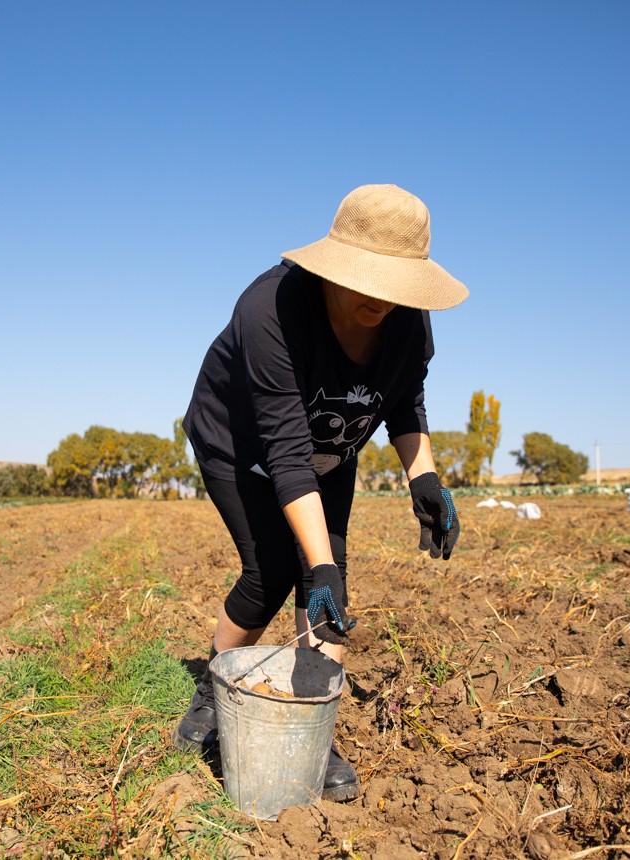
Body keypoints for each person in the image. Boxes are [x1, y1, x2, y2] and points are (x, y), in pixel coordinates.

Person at [176, 183, 468, 801]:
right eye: (369, 278)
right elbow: (284, 453)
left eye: (396, 283)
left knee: (326, 584)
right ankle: (212, 689)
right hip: (240, 444)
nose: (381, 297)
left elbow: (405, 402)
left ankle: (313, 728)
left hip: (330, 452)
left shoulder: (408, 324)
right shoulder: (269, 310)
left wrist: (424, 477)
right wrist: (321, 564)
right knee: (273, 570)